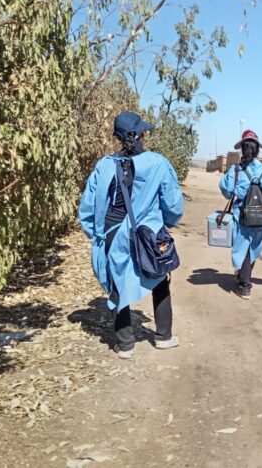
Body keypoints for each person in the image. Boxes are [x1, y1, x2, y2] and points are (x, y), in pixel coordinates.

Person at [79, 111, 184, 359]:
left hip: (113, 234)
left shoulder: (104, 166)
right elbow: (173, 205)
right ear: (141, 135)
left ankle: (125, 345)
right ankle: (163, 337)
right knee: (158, 278)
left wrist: (95, 235)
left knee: (116, 283)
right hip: (148, 234)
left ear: (117, 137)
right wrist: (165, 223)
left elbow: (88, 207)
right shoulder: (158, 163)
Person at [219, 130, 262, 300]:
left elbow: (225, 189)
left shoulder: (237, 170)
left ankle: (245, 285)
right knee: (253, 247)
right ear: (257, 150)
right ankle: (243, 276)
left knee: (243, 248)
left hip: (242, 217)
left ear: (242, 149)